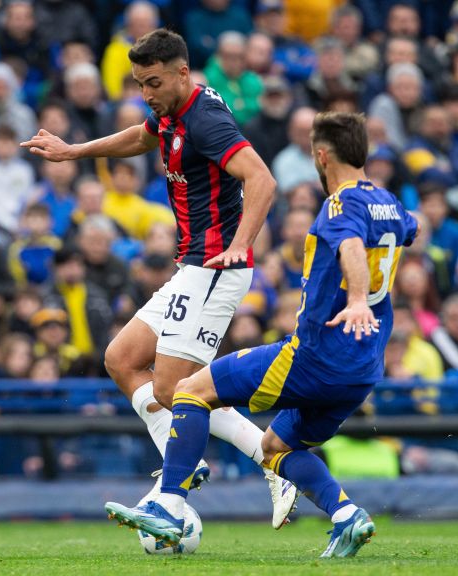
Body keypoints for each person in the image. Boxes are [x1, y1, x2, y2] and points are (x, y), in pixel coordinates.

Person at [105, 111, 418, 558]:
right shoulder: (388, 203)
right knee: (273, 446)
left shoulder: (340, 203)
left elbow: (349, 245)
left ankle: (171, 504)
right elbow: (411, 230)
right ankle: (346, 515)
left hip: (316, 356)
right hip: (365, 366)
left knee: (190, 390)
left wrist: (355, 299)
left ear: (321, 155)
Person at [21, 28, 295, 526]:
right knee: (122, 359)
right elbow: (141, 136)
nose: (145, 95)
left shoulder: (206, 119)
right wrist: (74, 152)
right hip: (190, 266)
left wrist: (238, 247)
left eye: (152, 83)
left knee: (178, 391)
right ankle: (186, 464)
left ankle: (263, 463)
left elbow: (262, 179)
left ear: (182, 73)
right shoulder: (173, 110)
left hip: (214, 267)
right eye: (139, 85)